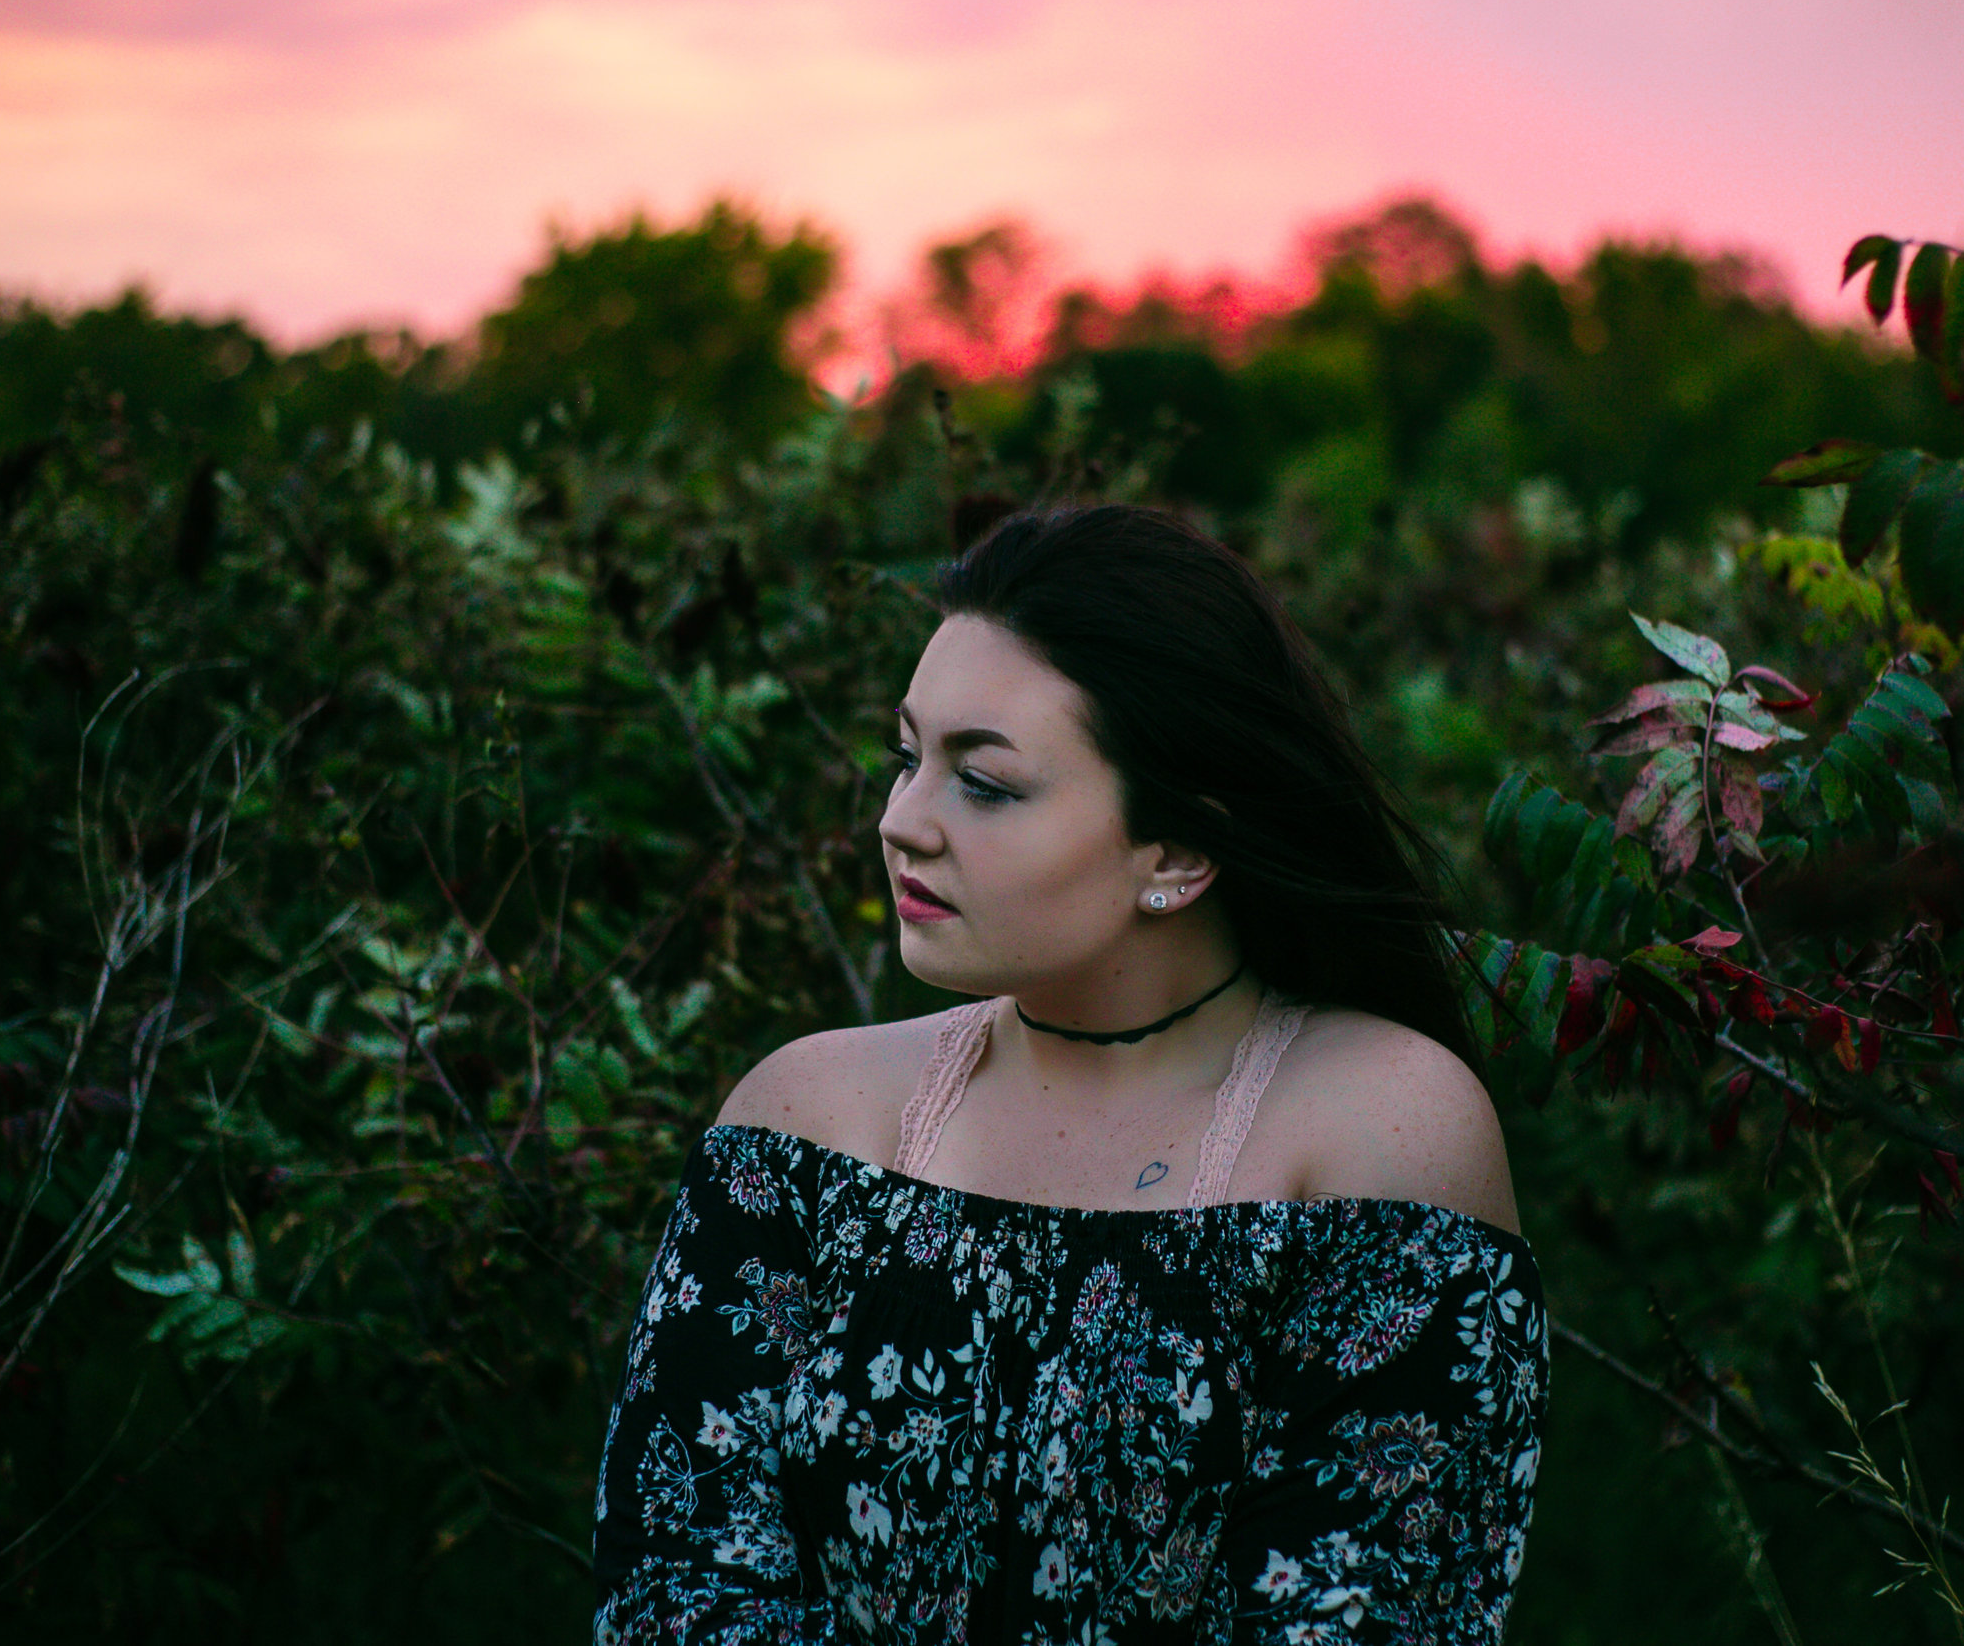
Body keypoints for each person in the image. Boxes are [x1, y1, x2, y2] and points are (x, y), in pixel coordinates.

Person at [593, 504, 1546, 1644]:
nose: (902, 821)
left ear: (1180, 850)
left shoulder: (1376, 1130)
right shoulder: (808, 1125)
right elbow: (678, 1588)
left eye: (983, 783)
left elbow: (1377, 1611)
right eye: (907, 757)